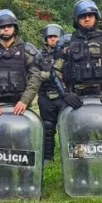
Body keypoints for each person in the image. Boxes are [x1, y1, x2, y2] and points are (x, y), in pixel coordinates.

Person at [52, 0, 102, 110]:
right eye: (83, 16)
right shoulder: (66, 43)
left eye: (90, 16)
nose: (87, 19)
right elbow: (55, 72)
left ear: (96, 17)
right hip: (76, 99)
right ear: (76, 19)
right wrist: (65, 94)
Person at [0, 9, 42, 117]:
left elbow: (35, 77)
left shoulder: (27, 50)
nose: (6, 29)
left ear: (15, 28)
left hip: (20, 106)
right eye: (2, 26)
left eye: (9, 26)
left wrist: (24, 100)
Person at [37, 23, 66, 164]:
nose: (53, 40)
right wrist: (50, 75)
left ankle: (69, 155)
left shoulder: (68, 52)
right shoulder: (38, 55)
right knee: (47, 129)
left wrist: (50, 74)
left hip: (64, 96)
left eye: (55, 37)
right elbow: (34, 73)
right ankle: (47, 157)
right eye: (50, 37)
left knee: (67, 126)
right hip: (45, 96)